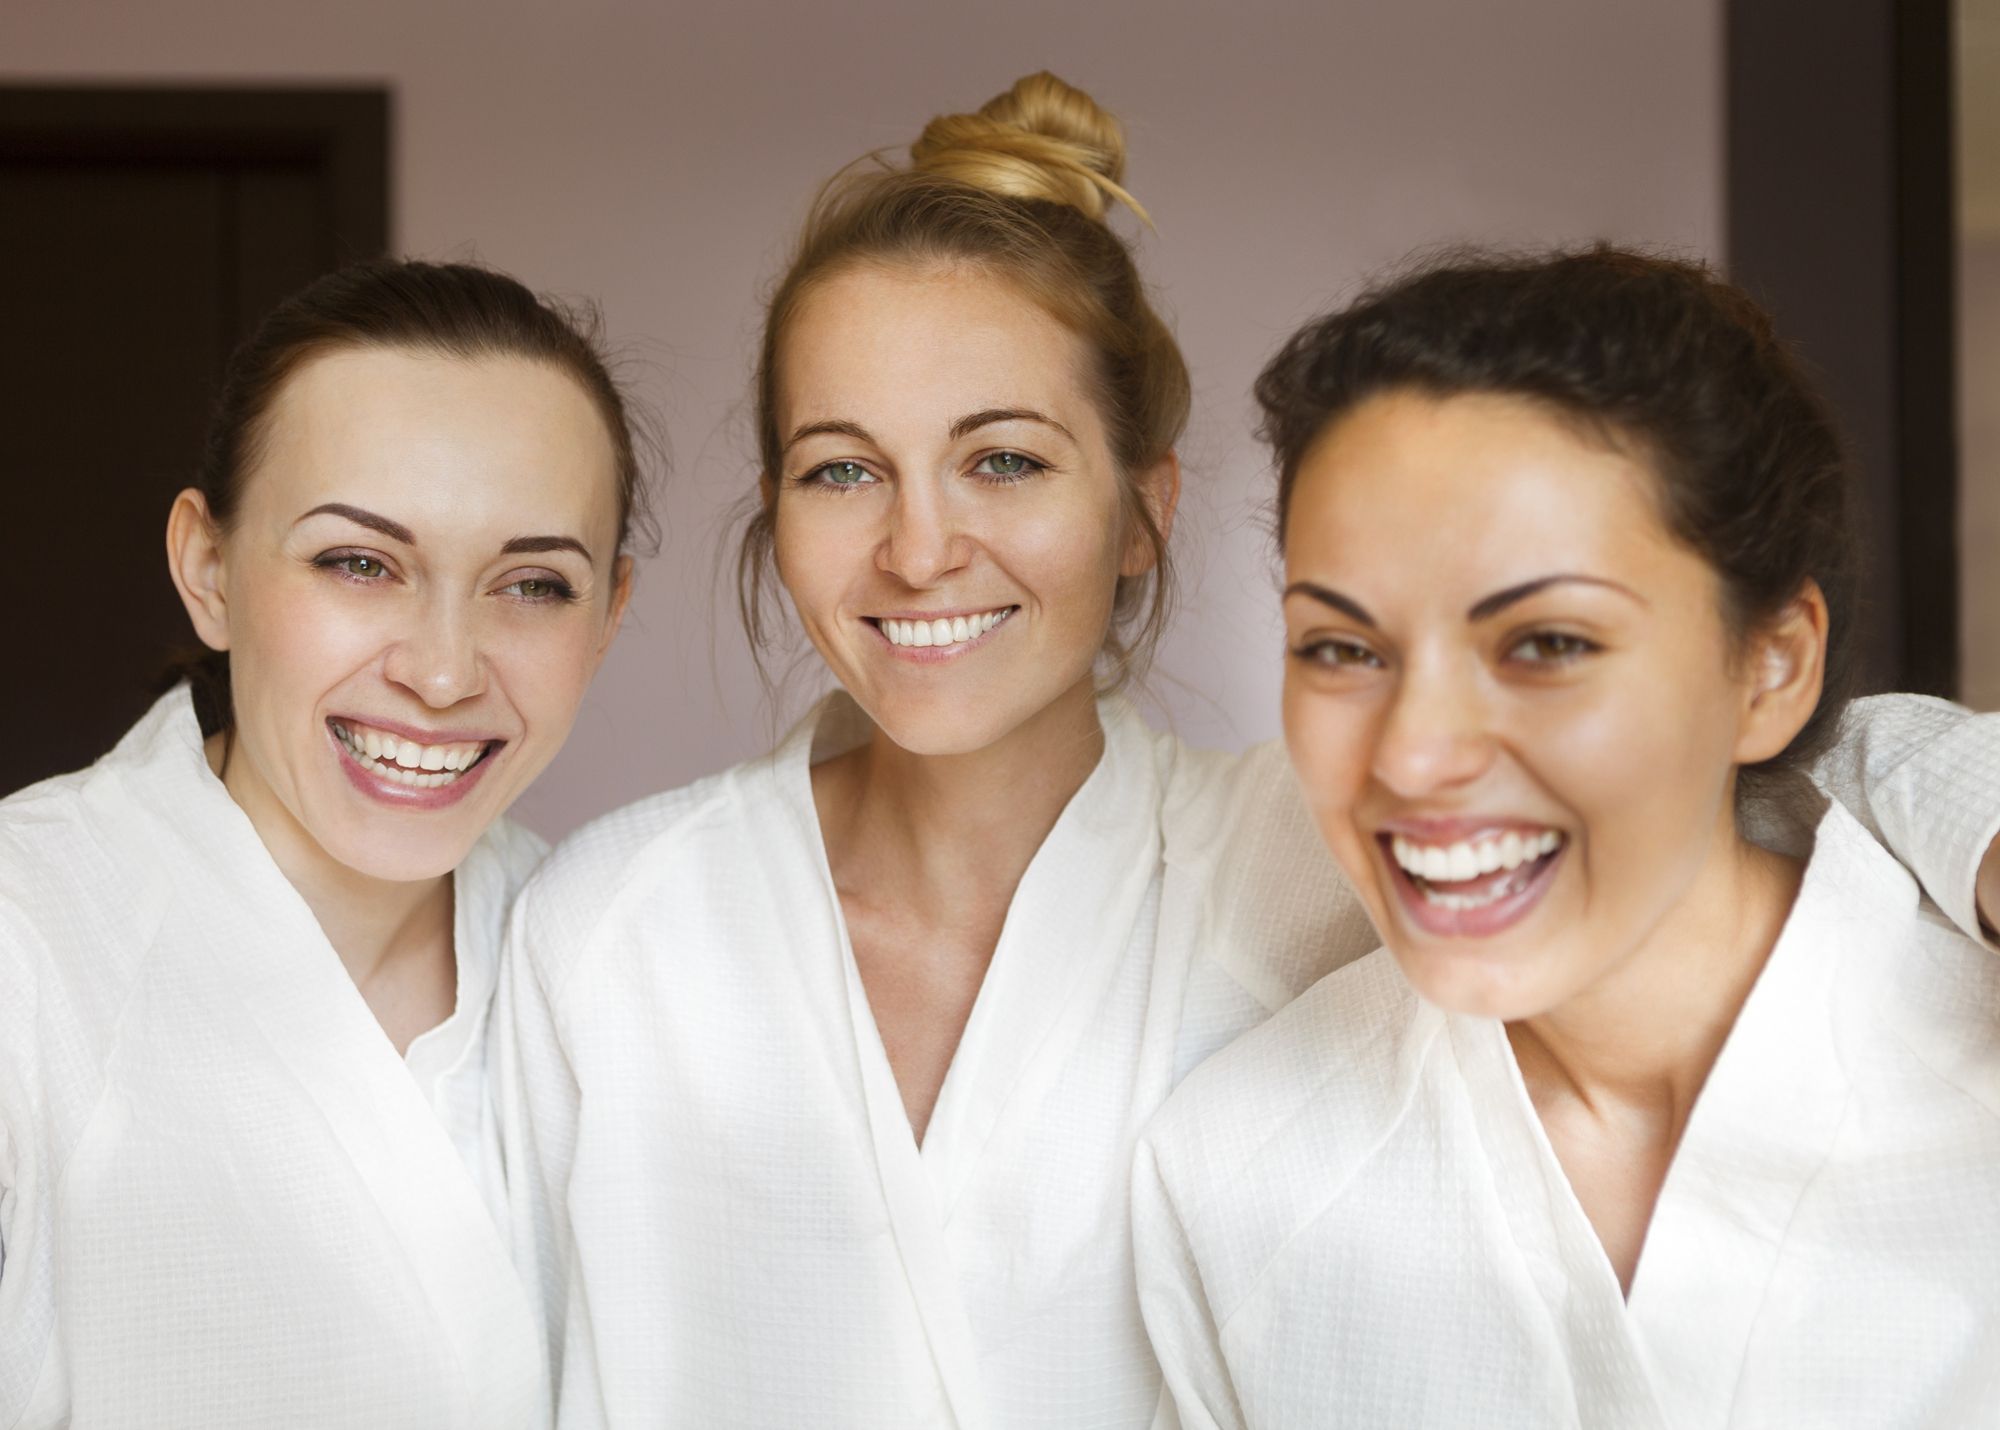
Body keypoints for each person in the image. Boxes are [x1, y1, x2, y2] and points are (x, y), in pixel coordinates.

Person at [503, 78, 2000, 1428]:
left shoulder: (1295, 854)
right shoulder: (611, 924)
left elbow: (1729, 773)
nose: (918, 545)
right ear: (773, 501)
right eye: (842, 468)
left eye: (1005, 458)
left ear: (1147, 505)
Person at [1132, 247, 2000, 1428]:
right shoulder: (1234, 1172)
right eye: (1341, 647)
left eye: (1545, 643)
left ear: (1772, 663)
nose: (1410, 755)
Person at [0, 259, 642, 1430]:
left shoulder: (613, 961)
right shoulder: (27, 946)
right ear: (208, 570)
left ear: (608, 617)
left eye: (533, 583)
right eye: (360, 562)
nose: (443, 671)